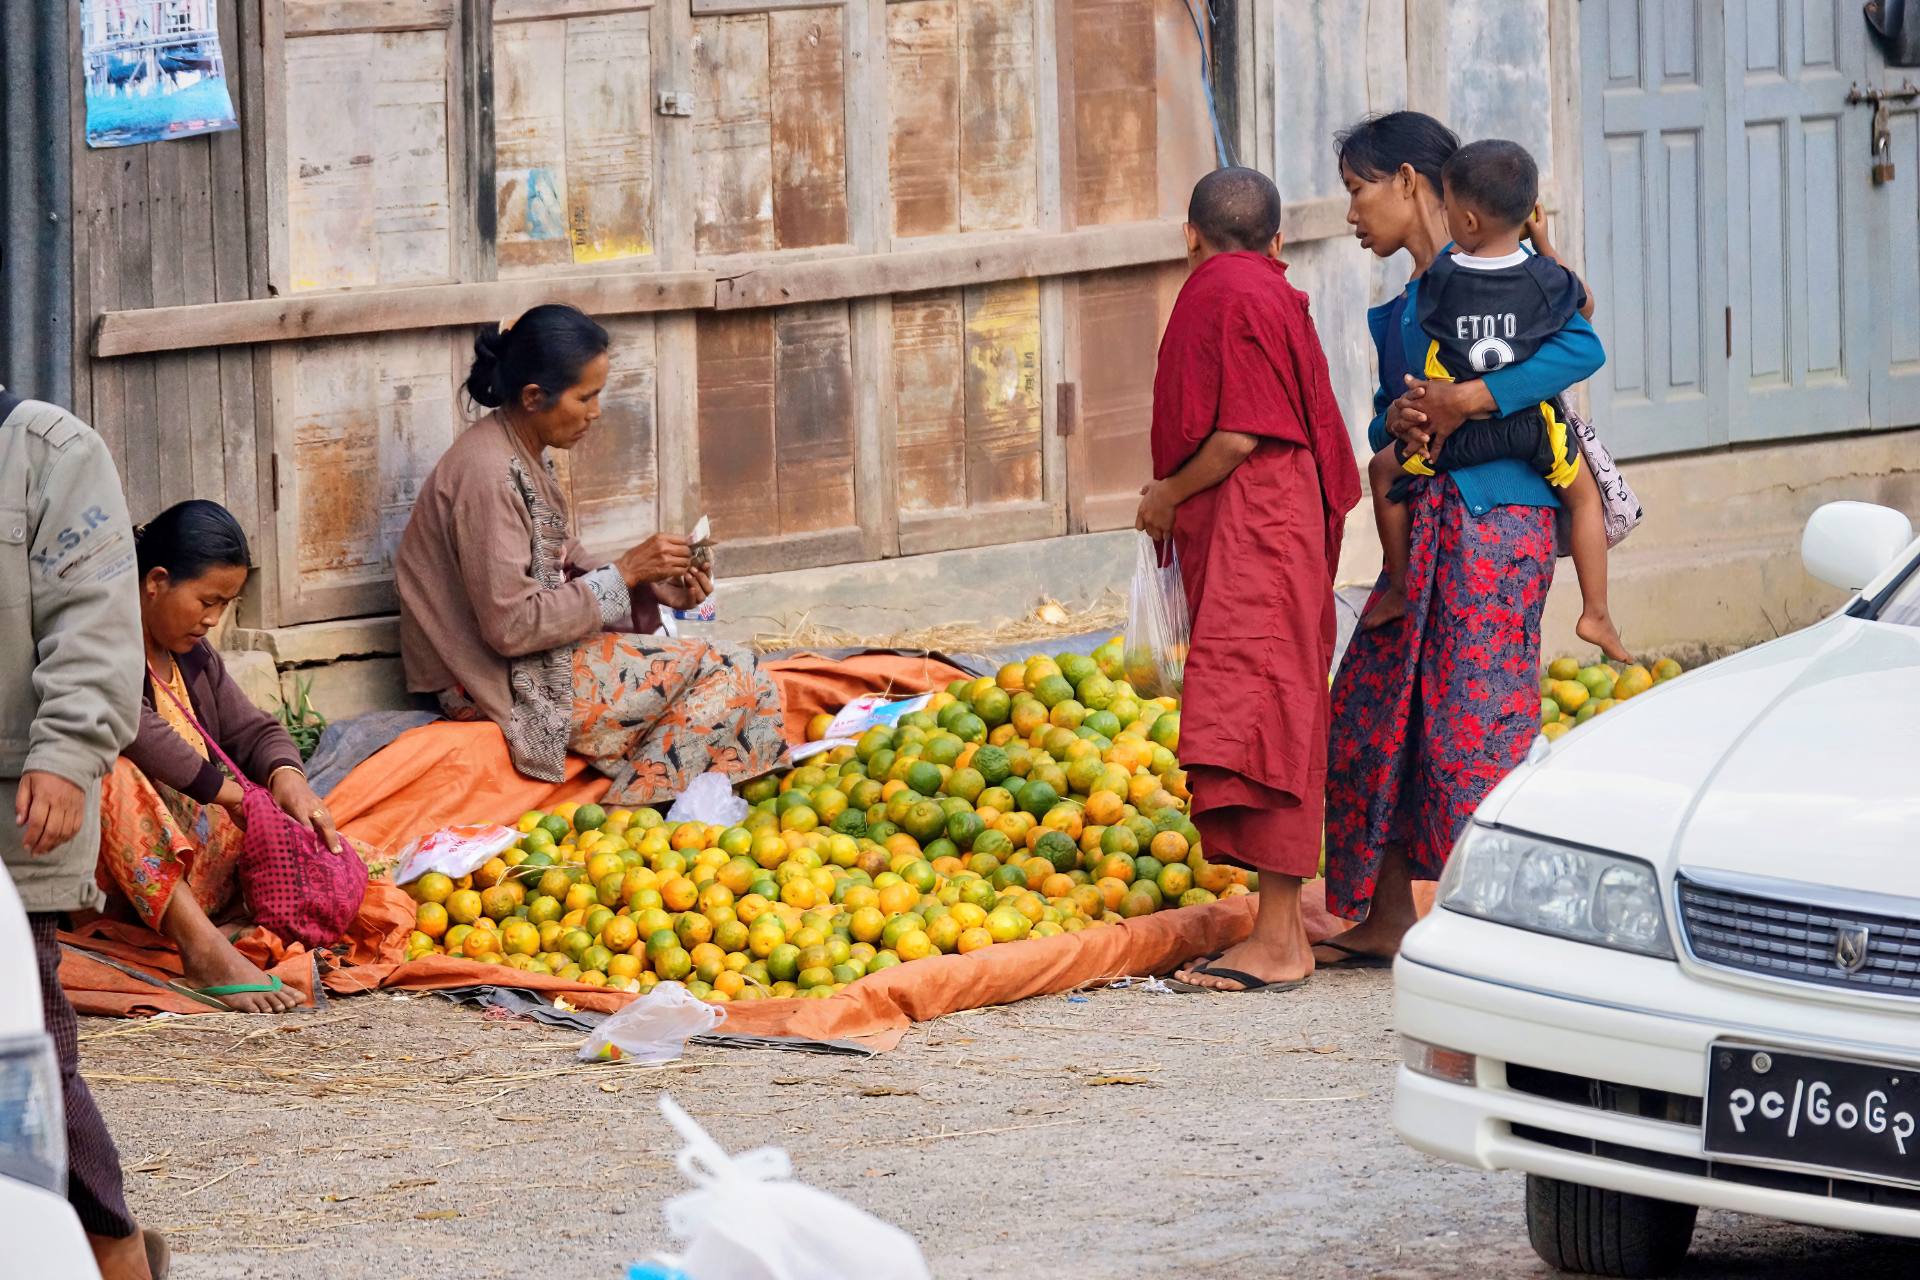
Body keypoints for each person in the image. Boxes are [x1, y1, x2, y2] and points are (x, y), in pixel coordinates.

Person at [1319, 113, 1606, 966]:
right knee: (1375, 708)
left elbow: (1577, 344)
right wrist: (1402, 414)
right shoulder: (1411, 305)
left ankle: (1508, 922)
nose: (1350, 214)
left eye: (1358, 190)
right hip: (1427, 518)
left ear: (1412, 184)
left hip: (1496, 518)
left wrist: (1469, 402)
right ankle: (1385, 914)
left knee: (1476, 727)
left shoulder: (1510, 282)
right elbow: (1388, 414)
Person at [397, 304, 787, 802]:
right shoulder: (488, 474)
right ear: (535, 397)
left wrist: (651, 584)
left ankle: (700, 816)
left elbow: (565, 560)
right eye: (586, 396)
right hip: (490, 677)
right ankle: (629, 822)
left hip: (531, 656)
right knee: (730, 673)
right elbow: (512, 626)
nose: (596, 412)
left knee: (747, 683)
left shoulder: (520, 454)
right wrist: (624, 574)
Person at [1135, 167, 1362, 994]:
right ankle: (1282, 923)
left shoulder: (1216, 293)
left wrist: (1165, 496)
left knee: (1267, 711)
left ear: (1190, 232)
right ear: (1277, 242)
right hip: (1272, 524)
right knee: (1271, 704)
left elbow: (1236, 435)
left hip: (1257, 527)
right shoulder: (1265, 290)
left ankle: (1278, 941)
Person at [0, 385, 163, 1278]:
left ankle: (116, 1250)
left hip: (16, 809)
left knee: (27, 1053)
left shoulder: (48, 454)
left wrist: (63, 754)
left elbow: (95, 627)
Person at [1363, 137, 1627, 663]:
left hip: (1448, 439)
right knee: (1584, 498)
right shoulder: (1541, 279)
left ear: (1465, 219)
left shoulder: (1439, 281)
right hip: (1529, 429)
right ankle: (1596, 610)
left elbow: (1424, 345)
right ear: (1528, 211)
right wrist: (1544, 245)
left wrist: (1438, 401)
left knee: (1380, 470)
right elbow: (1585, 312)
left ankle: (1397, 584)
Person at [96, 499, 324, 1015]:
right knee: (112, 772)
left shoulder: (192, 654)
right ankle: (202, 950)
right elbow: (133, 728)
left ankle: (224, 920)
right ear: (156, 581)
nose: (214, 619)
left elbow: (253, 728)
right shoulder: (104, 645)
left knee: (326, 849)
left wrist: (288, 777)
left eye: (225, 604)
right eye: (207, 601)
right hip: (126, 869)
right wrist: (228, 794)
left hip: (198, 860)